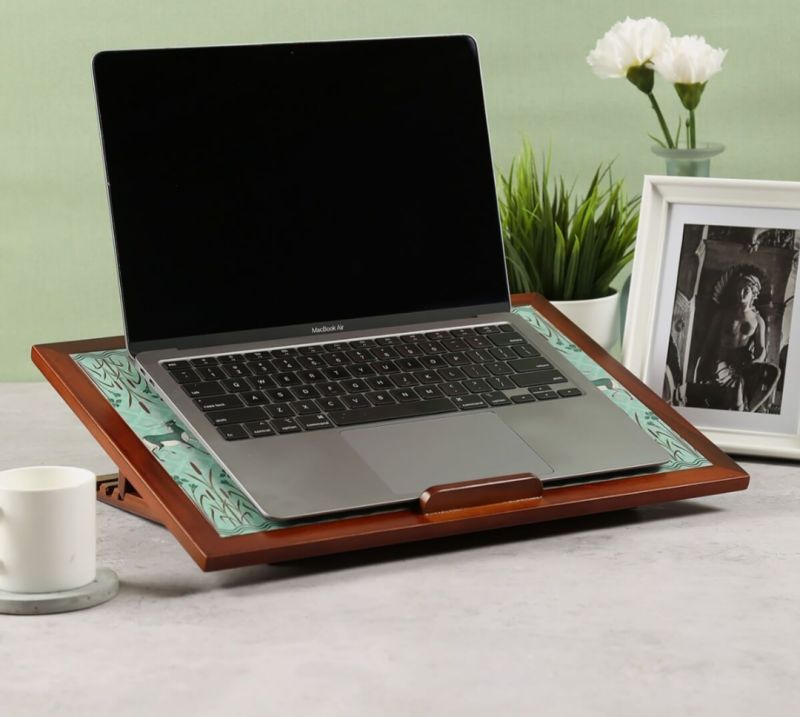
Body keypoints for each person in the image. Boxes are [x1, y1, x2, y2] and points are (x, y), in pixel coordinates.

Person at [693, 269, 767, 411]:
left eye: (745, 290)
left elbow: (761, 349)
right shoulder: (723, 315)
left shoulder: (758, 320)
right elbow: (708, 343)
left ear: (754, 293)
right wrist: (699, 365)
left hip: (742, 367)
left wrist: (757, 362)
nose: (741, 293)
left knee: (739, 401)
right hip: (720, 363)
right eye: (739, 289)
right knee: (717, 402)